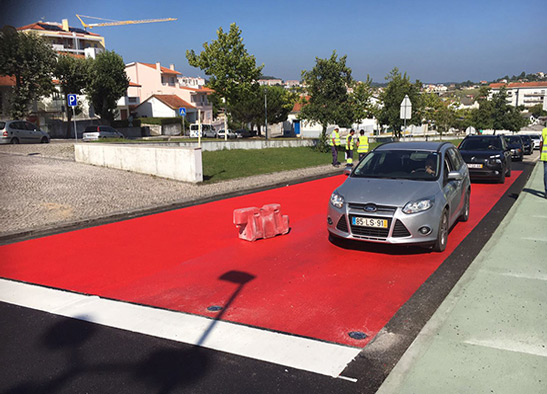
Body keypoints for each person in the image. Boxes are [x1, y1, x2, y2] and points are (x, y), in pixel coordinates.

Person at [541, 124, 547, 198]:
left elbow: (541, 143)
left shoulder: (544, 131)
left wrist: (541, 153)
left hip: (545, 156)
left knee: (546, 174)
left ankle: (546, 191)